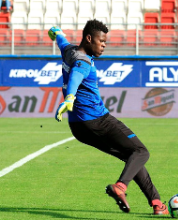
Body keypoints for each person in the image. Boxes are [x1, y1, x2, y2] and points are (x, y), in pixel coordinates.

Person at [48, 19, 169, 215]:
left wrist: (56, 32)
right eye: (101, 41)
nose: (104, 45)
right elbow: (76, 76)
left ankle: (156, 203)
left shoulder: (68, 49)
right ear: (89, 39)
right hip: (98, 120)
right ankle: (120, 186)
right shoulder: (83, 61)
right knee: (141, 151)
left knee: (132, 157)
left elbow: (60, 39)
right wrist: (70, 97)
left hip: (79, 128)